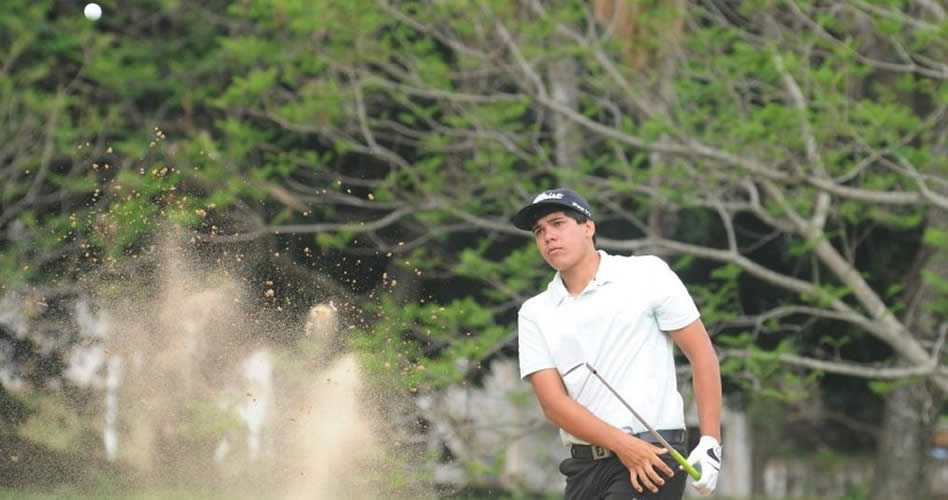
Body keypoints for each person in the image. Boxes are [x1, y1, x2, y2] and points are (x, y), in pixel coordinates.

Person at [512, 188, 722, 499]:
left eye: (558, 224)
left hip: (653, 457)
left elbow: (702, 355)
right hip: (583, 467)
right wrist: (621, 445)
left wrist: (710, 442)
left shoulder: (646, 273)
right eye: (539, 231)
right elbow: (553, 404)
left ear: (588, 227)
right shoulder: (535, 313)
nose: (548, 237)